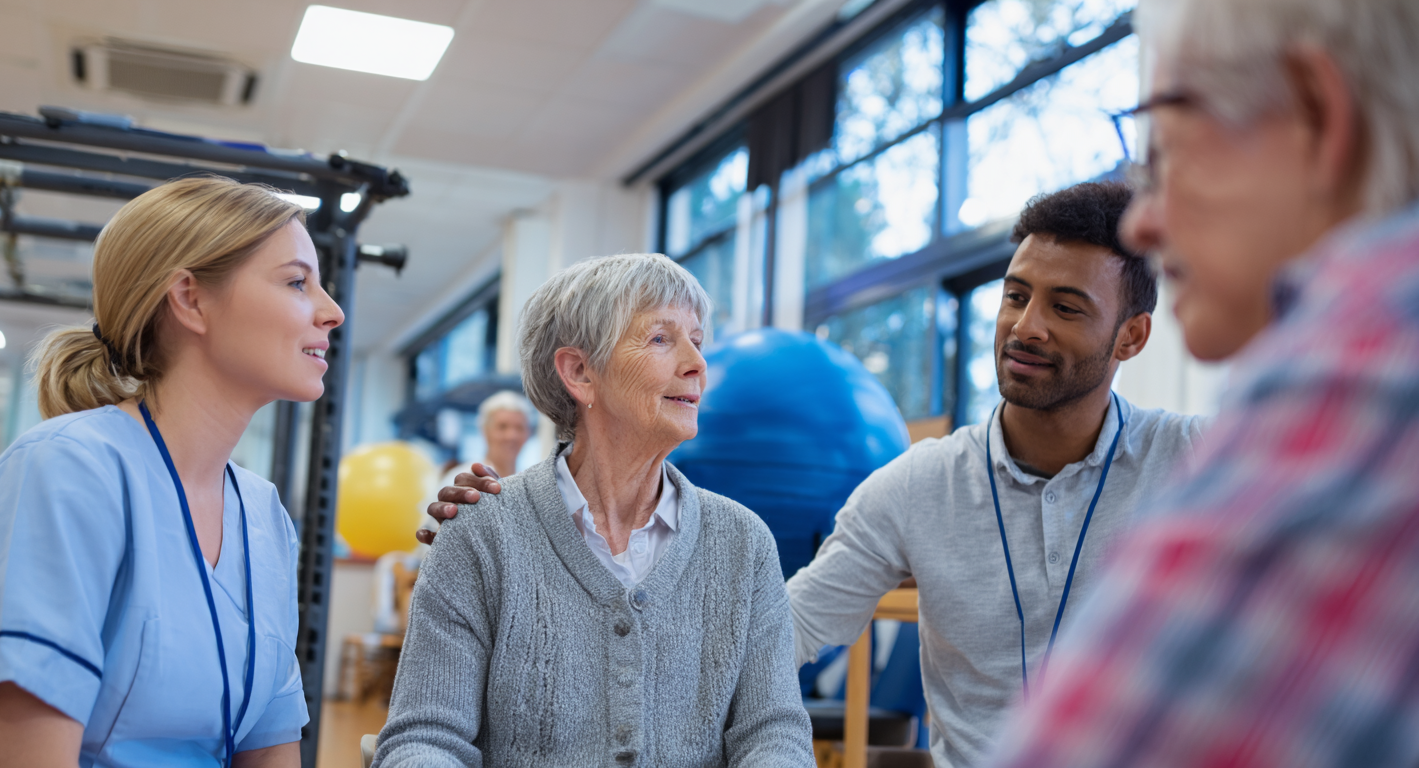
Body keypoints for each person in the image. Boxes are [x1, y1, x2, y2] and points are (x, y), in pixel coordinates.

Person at [421, 182, 1207, 768]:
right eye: (1014, 295)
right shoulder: (915, 485)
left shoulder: (1202, 466)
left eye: (1067, 307)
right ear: (579, 374)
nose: (1026, 326)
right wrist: (549, 586)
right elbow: (774, 638)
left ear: (1131, 337)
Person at [987, 0, 1419, 765]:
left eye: (1166, 153)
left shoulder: (1369, 363)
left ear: (1318, 116)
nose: (1143, 225)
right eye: (1016, 296)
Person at [0, 176, 342, 768]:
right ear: (190, 299)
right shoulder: (66, 470)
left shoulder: (263, 515)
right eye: (295, 282)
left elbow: (268, 746)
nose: (331, 312)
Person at [372, 253, 813, 767]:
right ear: (580, 372)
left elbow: (774, 733)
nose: (697, 363)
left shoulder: (744, 542)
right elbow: (424, 740)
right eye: (661, 338)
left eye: (697, 339)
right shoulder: (481, 532)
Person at [411, 390, 533, 557]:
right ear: (485, 431)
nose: (511, 435)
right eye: (502, 426)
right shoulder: (462, 479)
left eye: (519, 428)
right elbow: (427, 537)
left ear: (528, 434)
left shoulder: (530, 484)